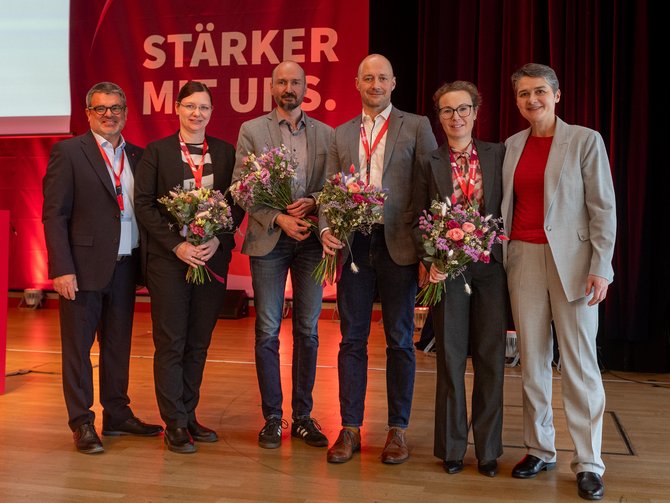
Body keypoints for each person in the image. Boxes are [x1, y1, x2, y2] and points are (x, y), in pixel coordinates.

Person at [501, 63, 616, 500]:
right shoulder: (512, 145)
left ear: (556, 95)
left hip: (575, 264)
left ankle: (588, 462)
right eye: (523, 93)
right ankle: (539, 448)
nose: (532, 100)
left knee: (580, 364)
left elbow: (603, 208)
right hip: (522, 259)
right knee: (532, 360)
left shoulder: (585, 140)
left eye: (540, 92)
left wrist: (601, 266)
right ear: (516, 101)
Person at [321, 54, 438, 464]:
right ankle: (350, 428)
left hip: (400, 245)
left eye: (382, 78)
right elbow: (329, 189)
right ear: (356, 83)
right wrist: (325, 228)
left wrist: (428, 252)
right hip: (355, 245)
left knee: (400, 340)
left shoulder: (417, 126)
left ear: (394, 83)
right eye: (368, 78)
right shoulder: (340, 133)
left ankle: (397, 430)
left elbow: (430, 189)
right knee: (351, 339)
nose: (375, 84)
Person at [42, 81, 163, 454]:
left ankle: (117, 414)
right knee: (77, 349)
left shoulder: (139, 156)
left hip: (127, 266)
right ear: (88, 113)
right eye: (101, 108)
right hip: (81, 268)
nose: (109, 114)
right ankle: (82, 422)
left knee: (117, 346)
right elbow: (54, 215)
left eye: (116, 108)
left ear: (125, 112)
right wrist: (62, 268)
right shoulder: (69, 152)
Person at [134, 81, 244, 453]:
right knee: (171, 342)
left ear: (212, 112)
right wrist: (177, 245)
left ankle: (189, 412)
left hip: (211, 260)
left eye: (204, 107)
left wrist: (219, 239)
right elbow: (144, 205)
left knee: (198, 342)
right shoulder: (157, 151)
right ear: (178, 108)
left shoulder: (226, 152)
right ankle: (175, 422)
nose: (197, 113)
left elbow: (238, 203)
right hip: (169, 261)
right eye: (190, 106)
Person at [232, 61, 333, 449]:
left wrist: (315, 201)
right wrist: (278, 218)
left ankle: (304, 416)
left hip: (311, 241)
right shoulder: (252, 130)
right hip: (269, 241)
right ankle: (273, 417)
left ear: (306, 88)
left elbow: (334, 187)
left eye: (295, 82)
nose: (289, 88)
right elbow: (241, 187)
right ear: (271, 87)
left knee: (308, 330)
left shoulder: (326, 133)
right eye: (282, 82)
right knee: (267, 330)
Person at [412, 81, 508, 477]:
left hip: (491, 269)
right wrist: (429, 260)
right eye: (447, 110)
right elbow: (417, 218)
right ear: (439, 117)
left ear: (475, 111)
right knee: (450, 359)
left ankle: (488, 451)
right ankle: (452, 448)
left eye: (463, 108)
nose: (456, 117)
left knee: (490, 359)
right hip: (448, 268)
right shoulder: (428, 161)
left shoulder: (499, 154)